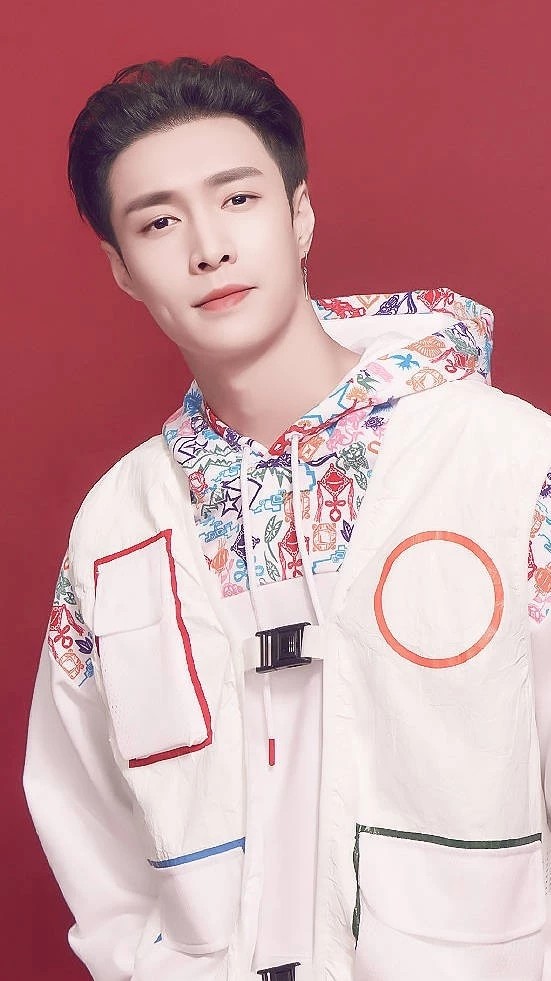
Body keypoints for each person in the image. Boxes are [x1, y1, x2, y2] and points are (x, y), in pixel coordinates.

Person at [23, 55, 551, 981]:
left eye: (237, 199)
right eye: (157, 222)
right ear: (121, 270)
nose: (208, 248)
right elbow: (84, 816)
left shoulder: (507, 463)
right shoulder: (117, 526)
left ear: (299, 214)